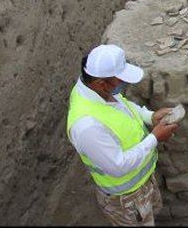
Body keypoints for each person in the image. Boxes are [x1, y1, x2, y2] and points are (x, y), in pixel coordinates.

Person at [66, 44, 178, 226]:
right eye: (120, 80)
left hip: (142, 184)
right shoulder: (87, 127)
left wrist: (150, 116)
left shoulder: (96, 90)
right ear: (102, 83)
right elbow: (118, 166)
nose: (123, 85)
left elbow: (122, 106)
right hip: (126, 200)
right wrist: (155, 138)